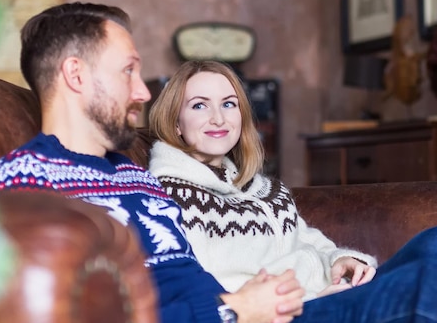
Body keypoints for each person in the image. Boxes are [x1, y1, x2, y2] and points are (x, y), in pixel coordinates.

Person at [0, 2, 437, 323]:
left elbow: (189, 273)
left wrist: (256, 295)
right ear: (75, 74)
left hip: (233, 321)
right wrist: (231, 310)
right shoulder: (27, 183)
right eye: (128, 71)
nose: (144, 91)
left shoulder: (133, 176)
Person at [148, 60, 377, 301]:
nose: (218, 118)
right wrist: (313, 301)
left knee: (422, 248)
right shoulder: (173, 198)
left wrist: (340, 259)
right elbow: (212, 289)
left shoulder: (263, 188)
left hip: (334, 291)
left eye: (228, 104)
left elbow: (305, 239)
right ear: (176, 124)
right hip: (297, 313)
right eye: (199, 106)